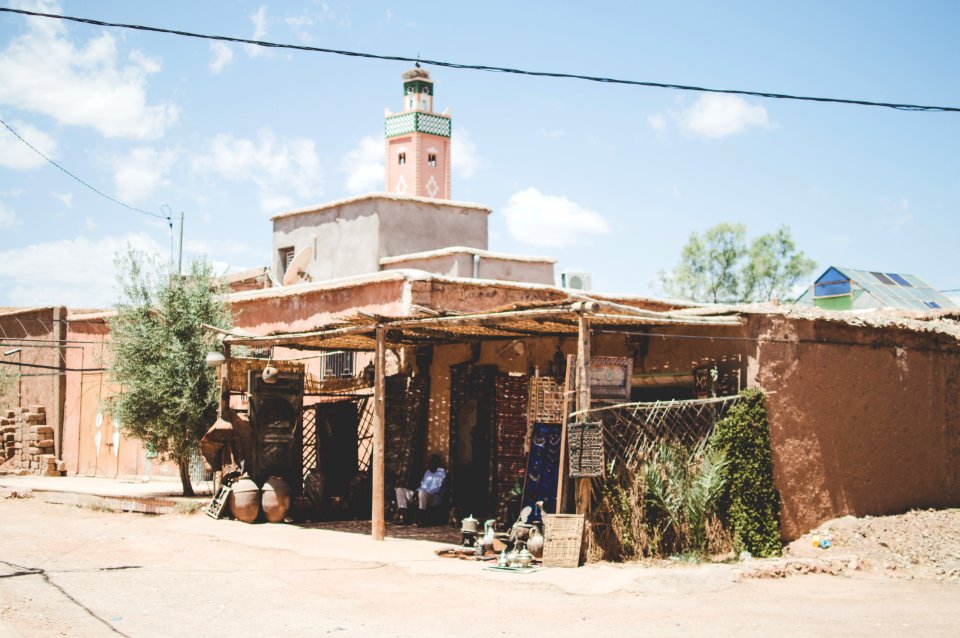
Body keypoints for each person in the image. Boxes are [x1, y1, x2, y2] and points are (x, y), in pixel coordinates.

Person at [395, 454, 447, 526]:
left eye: (430, 463)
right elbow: (422, 486)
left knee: (422, 493)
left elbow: (437, 489)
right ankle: (403, 516)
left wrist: (421, 492)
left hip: (434, 497)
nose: (428, 464)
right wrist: (417, 492)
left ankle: (421, 519)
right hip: (421, 494)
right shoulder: (427, 472)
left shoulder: (442, 473)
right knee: (400, 490)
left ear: (436, 463)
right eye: (427, 462)